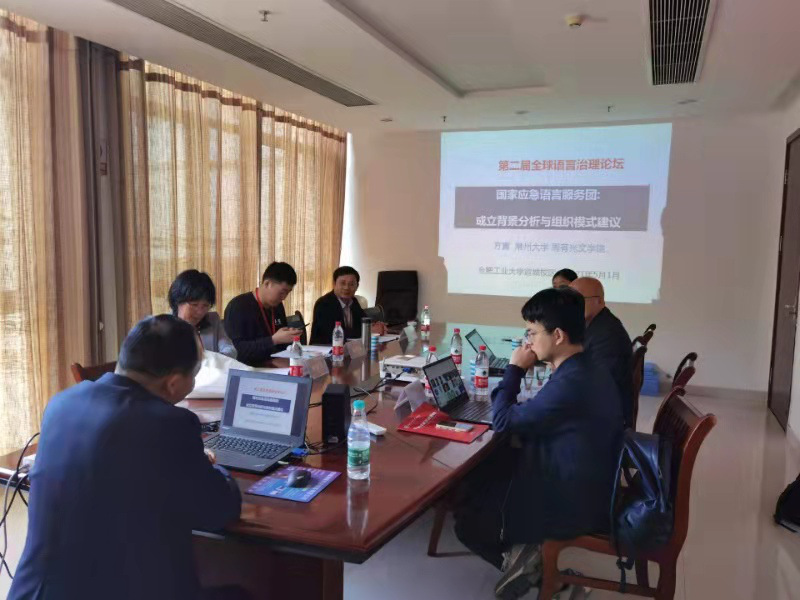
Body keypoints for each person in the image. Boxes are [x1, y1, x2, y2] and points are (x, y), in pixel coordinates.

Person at [9, 315, 243, 600]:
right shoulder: (170, 424)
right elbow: (219, 510)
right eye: (193, 376)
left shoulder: (61, 403)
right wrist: (215, 469)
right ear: (173, 383)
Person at [453, 288, 623, 600]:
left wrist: (515, 369)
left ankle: (540, 572)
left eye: (532, 332)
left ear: (558, 335)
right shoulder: (585, 366)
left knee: (466, 522)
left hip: (571, 495)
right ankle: (528, 556)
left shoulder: (571, 381)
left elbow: (502, 421)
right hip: (586, 476)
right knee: (484, 471)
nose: (527, 341)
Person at [570, 276, 633, 428]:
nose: (572, 306)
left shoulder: (608, 334)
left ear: (599, 301)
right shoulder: (594, 324)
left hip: (602, 420)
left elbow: (598, 384)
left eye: (578, 300)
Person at [223, 262, 303, 366]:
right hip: (248, 369)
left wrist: (289, 336)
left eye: (288, 293)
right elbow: (236, 350)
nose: (284, 297)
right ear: (267, 283)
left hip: (277, 366)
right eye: (282, 292)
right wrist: (273, 340)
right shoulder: (238, 306)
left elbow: (281, 346)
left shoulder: (277, 306)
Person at [168, 269, 237, 358]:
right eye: (194, 305)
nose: (200, 312)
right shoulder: (163, 327)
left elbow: (230, 350)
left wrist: (210, 360)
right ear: (177, 301)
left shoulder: (213, 320)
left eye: (205, 305)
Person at [309, 266, 385, 344]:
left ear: (357, 286)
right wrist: (368, 330)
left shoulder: (353, 301)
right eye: (342, 283)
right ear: (334, 284)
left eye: (351, 284)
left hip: (349, 347)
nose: (346, 288)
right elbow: (333, 333)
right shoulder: (324, 303)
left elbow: (362, 322)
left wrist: (376, 326)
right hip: (325, 348)